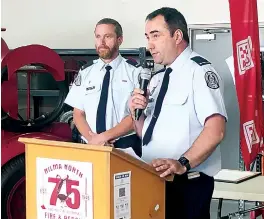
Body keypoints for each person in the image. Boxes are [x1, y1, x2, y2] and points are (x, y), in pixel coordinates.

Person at [128, 7, 227, 219]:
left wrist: (182, 163)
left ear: (177, 36)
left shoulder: (199, 72)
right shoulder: (157, 79)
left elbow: (216, 130)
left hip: (187, 183)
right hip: (154, 178)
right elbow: (144, 133)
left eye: (156, 35)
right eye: (147, 37)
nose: (149, 45)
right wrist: (136, 112)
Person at [65, 18, 142, 156]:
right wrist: (94, 141)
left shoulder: (135, 72)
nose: (102, 42)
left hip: (124, 149)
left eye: (108, 36)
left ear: (120, 39)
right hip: (90, 146)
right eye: (98, 36)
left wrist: (103, 138)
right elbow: (78, 114)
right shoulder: (86, 71)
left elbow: (136, 117)